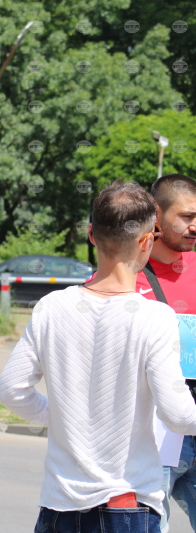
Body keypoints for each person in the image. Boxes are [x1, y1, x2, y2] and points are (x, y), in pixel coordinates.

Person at [0, 181, 196, 533]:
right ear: (147, 241)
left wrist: (59, 416)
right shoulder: (154, 317)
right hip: (127, 502)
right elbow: (179, 415)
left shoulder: (51, 307)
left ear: (92, 235)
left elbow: (12, 391)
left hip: (58, 503)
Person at [137, 174, 196, 533]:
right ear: (156, 215)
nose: (195, 226)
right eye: (187, 216)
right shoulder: (124, 276)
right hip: (154, 435)